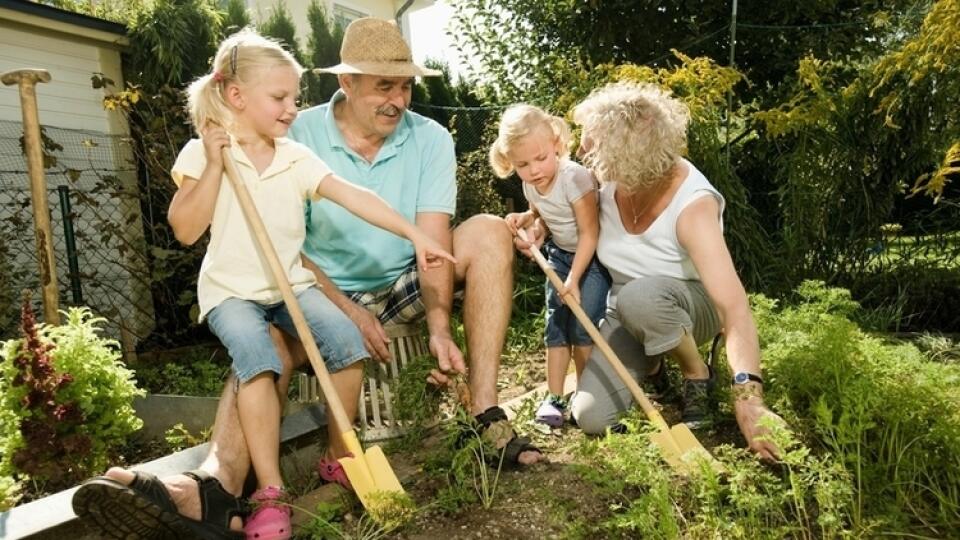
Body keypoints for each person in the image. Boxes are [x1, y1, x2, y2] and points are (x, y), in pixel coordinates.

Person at [72, 29, 454, 539]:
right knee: (260, 363)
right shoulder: (203, 154)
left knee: (345, 345)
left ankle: (341, 456)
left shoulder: (294, 156)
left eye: (294, 98)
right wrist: (214, 164)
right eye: (279, 98)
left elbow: (353, 195)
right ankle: (269, 489)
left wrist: (413, 233)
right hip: (234, 293)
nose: (292, 109)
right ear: (236, 96)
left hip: (290, 285)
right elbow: (185, 230)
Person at [282, 17, 543, 470]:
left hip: (403, 284)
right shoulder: (298, 137)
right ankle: (237, 474)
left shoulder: (430, 138)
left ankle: (484, 412)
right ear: (346, 81)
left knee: (486, 230)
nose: (398, 101)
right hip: (322, 292)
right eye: (385, 86)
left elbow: (434, 245)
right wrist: (349, 311)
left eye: (405, 87)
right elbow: (287, 250)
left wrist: (439, 327)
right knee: (271, 331)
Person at [519, 82, 782, 460]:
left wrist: (748, 396)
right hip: (627, 310)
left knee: (640, 298)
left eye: (593, 143)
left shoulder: (693, 204)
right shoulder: (608, 180)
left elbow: (734, 308)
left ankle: (697, 376)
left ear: (629, 153)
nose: (581, 151)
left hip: (690, 306)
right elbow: (570, 210)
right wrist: (537, 223)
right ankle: (656, 364)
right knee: (591, 416)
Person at [491, 105, 610, 427]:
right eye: (522, 164)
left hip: (592, 261)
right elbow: (542, 213)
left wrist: (573, 279)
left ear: (556, 144)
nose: (533, 170)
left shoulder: (576, 178)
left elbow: (590, 234)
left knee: (583, 327)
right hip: (559, 256)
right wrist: (528, 219)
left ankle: (584, 397)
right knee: (556, 325)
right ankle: (554, 398)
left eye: (541, 158)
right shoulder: (531, 182)